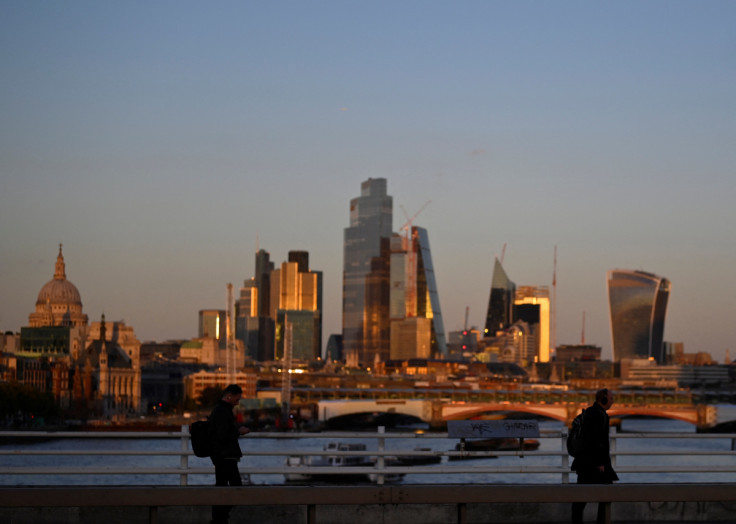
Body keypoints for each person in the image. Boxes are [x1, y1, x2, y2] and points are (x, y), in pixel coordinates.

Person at [571, 388, 619, 524]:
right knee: (606, 494)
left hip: (584, 463)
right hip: (595, 464)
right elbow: (595, 440)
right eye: (610, 399)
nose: (612, 401)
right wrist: (600, 463)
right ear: (603, 399)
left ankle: (577, 521)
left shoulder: (589, 413)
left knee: (581, 497)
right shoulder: (599, 415)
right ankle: (602, 520)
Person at [209, 384, 250, 524]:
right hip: (225, 456)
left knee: (222, 486)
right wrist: (239, 431)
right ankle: (219, 518)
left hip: (221, 455)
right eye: (236, 399)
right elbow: (223, 434)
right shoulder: (223, 411)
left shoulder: (220, 410)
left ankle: (219, 518)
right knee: (235, 488)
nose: (237, 403)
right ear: (229, 396)